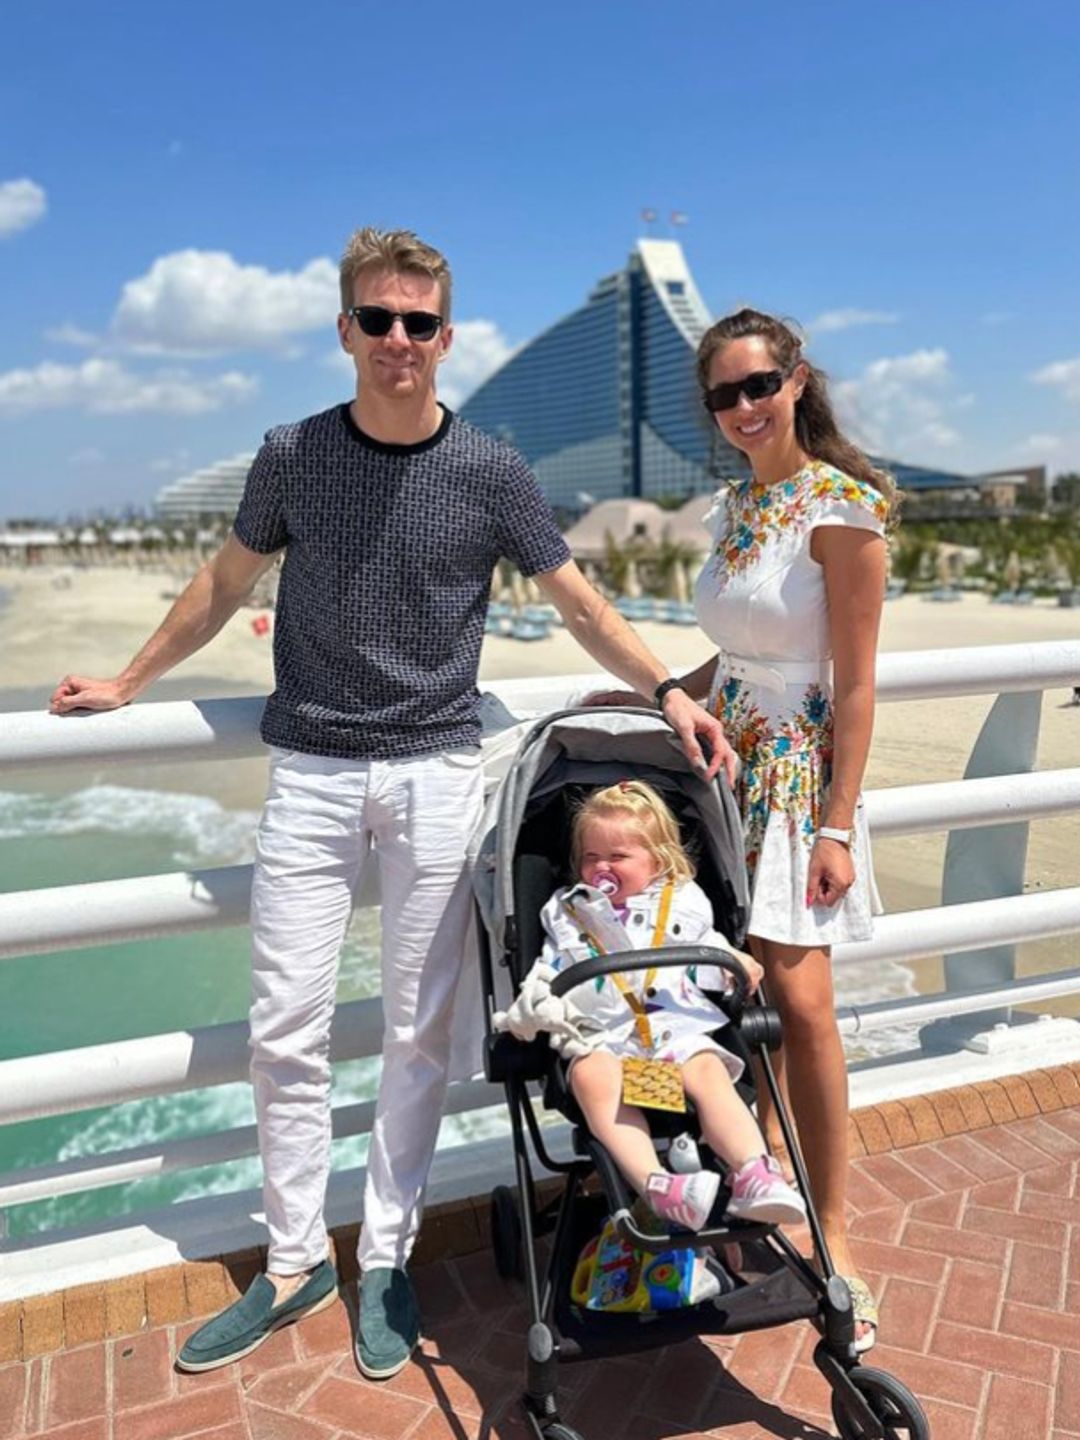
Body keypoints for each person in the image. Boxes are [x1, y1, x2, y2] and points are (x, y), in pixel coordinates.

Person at [49, 227, 736, 1381]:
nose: (400, 342)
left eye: (420, 323)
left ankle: (388, 1257)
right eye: (379, 320)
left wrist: (666, 686)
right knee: (282, 1030)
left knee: (419, 1035)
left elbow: (576, 600)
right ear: (346, 330)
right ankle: (288, 1262)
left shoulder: (490, 469)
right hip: (311, 771)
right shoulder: (293, 454)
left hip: (433, 774)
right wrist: (128, 680)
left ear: (446, 337)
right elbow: (223, 582)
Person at [589, 308, 894, 1351]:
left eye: (759, 385)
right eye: (724, 396)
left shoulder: (842, 508)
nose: (744, 409)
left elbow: (854, 687)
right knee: (747, 988)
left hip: (800, 783)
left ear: (797, 381)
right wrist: (674, 698)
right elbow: (741, 652)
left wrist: (837, 828)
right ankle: (759, 1162)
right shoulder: (740, 503)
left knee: (804, 1003)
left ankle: (836, 1236)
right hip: (729, 771)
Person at [496, 781, 806, 1232]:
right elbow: (549, 967)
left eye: (617, 858)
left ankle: (753, 1173)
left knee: (709, 1072)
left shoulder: (683, 899)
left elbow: (705, 950)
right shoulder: (566, 911)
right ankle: (658, 1187)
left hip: (675, 1032)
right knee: (589, 1073)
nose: (601, 867)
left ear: (658, 861)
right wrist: (534, 1006)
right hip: (605, 1037)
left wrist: (733, 964)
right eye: (590, 857)